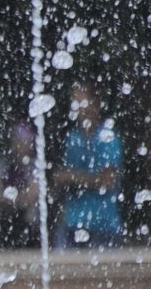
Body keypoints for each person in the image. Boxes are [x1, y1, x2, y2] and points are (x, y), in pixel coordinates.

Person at [53, 83, 123, 249]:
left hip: (103, 224)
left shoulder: (108, 137)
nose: (77, 107)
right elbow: (63, 180)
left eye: (81, 101)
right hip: (72, 223)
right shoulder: (72, 138)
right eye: (74, 103)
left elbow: (107, 180)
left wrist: (71, 177)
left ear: (95, 104)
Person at [0, 122, 41, 249]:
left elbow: (31, 196)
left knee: (30, 221)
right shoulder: (2, 165)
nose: (21, 145)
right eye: (18, 141)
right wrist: (16, 199)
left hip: (27, 219)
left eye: (25, 142)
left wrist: (9, 198)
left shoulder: (35, 166)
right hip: (3, 216)